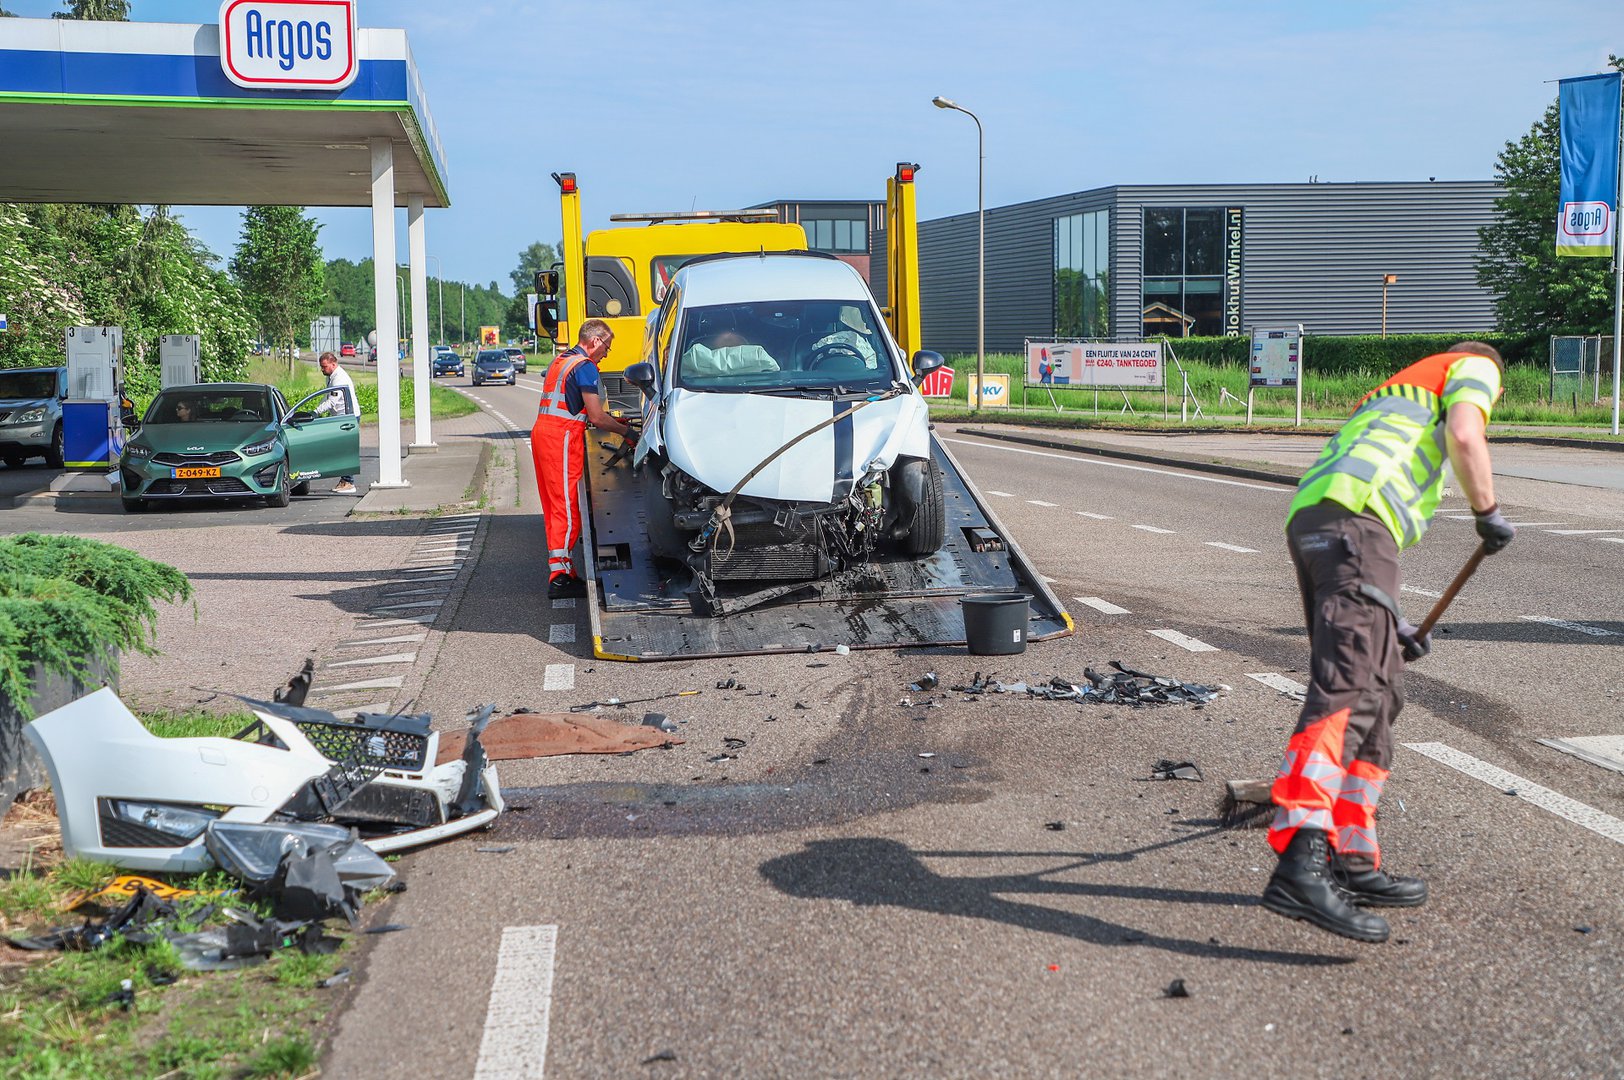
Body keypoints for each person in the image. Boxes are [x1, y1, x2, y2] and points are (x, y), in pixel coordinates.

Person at [1262, 341, 1515, 943]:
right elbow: (1465, 434)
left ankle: (1352, 857)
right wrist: (1488, 511)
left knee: (1380, 692)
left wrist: (1391, 624)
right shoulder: (1474, 365)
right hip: (1357, 523)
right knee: (1351, 686)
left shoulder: (1395, 391)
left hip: (1326, 521)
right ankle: (1301, 857)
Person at [531, 320, 637, 599]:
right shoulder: (585, 366)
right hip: (562, 438)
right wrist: (628, 433)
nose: (606, 354)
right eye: (607, 347)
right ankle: (560, 579)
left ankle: (562, 570)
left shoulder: (562, 360)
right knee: (567, 508)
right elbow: (596, 416)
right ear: (596, 341)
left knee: (554, 506)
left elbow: (573, 405)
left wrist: (612, 421)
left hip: (544, 433)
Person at [315, 351, 358, 494]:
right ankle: (345, 480)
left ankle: (349, 482)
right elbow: (327, 395)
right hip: (341, 417)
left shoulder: (339, 378)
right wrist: (317, 409)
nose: (322, 369)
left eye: (324, 366)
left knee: (345, 450)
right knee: (342, 449)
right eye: (321, 366)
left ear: (333, 364)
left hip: (346, 417)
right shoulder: (331, 377)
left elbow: (332, 401)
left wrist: (316, 412)